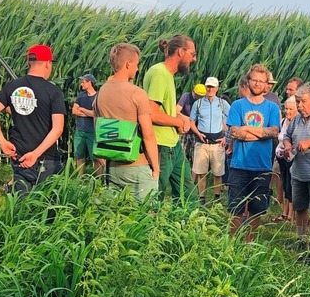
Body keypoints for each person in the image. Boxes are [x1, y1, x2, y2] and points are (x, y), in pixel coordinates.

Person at [0, 44, 66, 197]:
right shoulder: (53, 91)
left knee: (22, 205)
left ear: (29, 62)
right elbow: (58, 129)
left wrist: (2, 141)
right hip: (46, 159)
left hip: (19, 157)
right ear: (48, 63)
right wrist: (35, 154)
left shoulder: (13, 86)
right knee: (46, 208)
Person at [94, 43, 159, 200]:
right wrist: (156, 168)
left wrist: (103, 162)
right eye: (136, 64)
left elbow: (97, 130)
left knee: (115, 218)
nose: (137, 69)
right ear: (128, 64)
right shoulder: (137, 93)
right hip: (137, 166)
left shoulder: (101, 92)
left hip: (112, 167)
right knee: (145, 218)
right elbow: (148, 134)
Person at [226, 64, 281, 241]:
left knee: (256, 210)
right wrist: (260, 133)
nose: (257, 84)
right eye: (254, 80)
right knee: (236, 208)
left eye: (261, 81)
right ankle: (232, 244)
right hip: (239, 165)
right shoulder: (237, 105)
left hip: (262, 166)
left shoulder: (272, 108)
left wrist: (247, 129)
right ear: (248, 81)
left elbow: (274, 132)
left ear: (266, 84)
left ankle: (249, 244)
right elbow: (234, 132)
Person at [143, 35, 197, 203]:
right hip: (160, 145)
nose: (194, 59)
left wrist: (181, 118)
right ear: (181, 52)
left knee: (188, 195)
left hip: (173, 145)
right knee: (154, 195)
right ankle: (150, 227)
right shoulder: (160, 74)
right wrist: (179, 122)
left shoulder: (167, 75)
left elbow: (165, 110)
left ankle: (184, 227)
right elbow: (151, 112)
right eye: (192, 54)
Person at [283, 85, 310, 239]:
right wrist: (287, 145)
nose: (299, 106)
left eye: (303, 102)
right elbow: (287, 135)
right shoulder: (297, 119)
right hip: (298, 172)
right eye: (298, 102)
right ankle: (301, 239)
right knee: (299, 207)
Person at [189, 77, 231, 205]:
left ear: (217, 88)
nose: (210, 89)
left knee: (217, 172)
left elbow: (232, 120)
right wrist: (198, 133)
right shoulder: (199, 103)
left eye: (213, 87)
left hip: (218, 143)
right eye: (208, 87)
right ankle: (201, 197)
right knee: (201, 172)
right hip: (202, 142)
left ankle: (217, 197)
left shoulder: (223, 104)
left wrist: (226, 137)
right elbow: (191, 121)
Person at [72, 73, 105, 176]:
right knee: (79, 156)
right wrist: (88, 113)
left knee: (95, 157)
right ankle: (80, 179)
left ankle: (98, 180)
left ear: (89, 82)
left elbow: (97, 114)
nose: (81, 84)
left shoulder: (97, 97)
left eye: (83, 82)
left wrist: (82, 109)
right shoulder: (81, 96)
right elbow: (74, 111)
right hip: (80, 130)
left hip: (92, 131)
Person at [273, 96, 297, 222]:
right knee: (285, 183)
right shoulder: (283, 122)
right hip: (281, 158)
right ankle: (284, 211)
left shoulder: (297, 123)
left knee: (291, 185)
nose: (287, 111)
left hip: (291, 158)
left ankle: (291, 215)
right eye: (286, 109)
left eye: (291, 109)